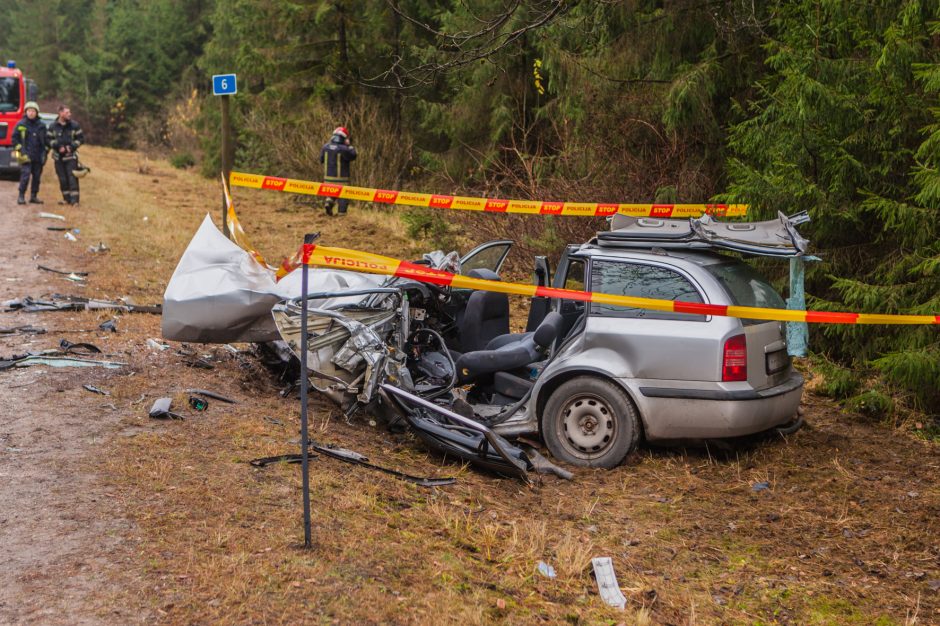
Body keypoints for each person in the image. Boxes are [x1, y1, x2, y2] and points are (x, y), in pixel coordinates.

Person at [48, 105, 84, 206]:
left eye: (69, 112)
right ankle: (66, 199)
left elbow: (81, 139)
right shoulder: (53, 126)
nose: (69, 114)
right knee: (62, 179)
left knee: (72, 178)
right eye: (67, 112)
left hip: (71, 157)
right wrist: (57, 146)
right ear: (60, 113)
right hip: (58, 158)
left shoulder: (74, 125)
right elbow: (48, 140)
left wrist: (71, 147)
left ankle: (75, 201)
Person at [13, 101, 48, 205]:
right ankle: (21, 196)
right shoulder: (21, 124)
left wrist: (45, 152)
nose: (31, 113)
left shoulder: (42, 125)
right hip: (25, 155)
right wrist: (20, 150)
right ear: (26, 112)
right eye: (29, 111)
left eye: (33, 111)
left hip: (38, 155)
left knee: (37, 177)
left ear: (37, 112)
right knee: (25, 175)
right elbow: (14, 138)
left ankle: (33, 196)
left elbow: (46, 140)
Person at [318, 126, 356, 216]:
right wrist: (349, 146)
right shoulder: (344, 149)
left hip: (327, 179)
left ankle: (328, 202)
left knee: (332, 192)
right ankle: (341, 214)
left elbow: (321, 160)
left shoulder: (325, 147)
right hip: (341, 179)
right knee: (343, 196)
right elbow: (353, 155)